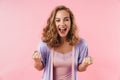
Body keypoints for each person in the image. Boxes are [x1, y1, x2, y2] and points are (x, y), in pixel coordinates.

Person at [32, 5, 93, 80]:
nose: (62, 23)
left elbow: (80, 68)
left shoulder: (81, 44)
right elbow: (39, 67)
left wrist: (85, 64)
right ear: (53, 23)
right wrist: (37, 61)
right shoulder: (44, 44)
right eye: (58, 20)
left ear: (71, 22)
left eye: (66, 19)